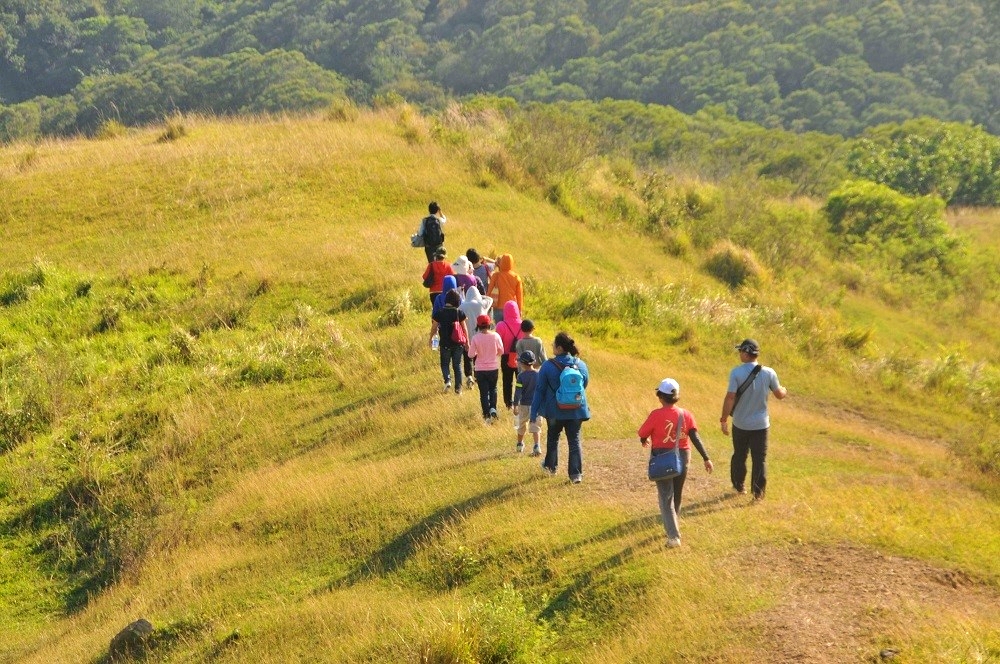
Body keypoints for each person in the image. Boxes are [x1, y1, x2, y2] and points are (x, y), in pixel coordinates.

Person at [638, 378, 714, 548]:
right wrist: (706, 458)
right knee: (676, 494)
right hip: (683, 456)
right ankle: (674, 523)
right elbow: (694, 436)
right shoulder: (685, 414)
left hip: (663, 457)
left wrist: (644, 439)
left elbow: (642, 432)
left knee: (666, 497)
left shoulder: (656, 415)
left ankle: (673, 536)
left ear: (660, 397)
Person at [719, 338, 787, 500]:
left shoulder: (736, 373)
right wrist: (784, 390)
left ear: (746, 353)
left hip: (740, 424)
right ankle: (758, 493)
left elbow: (730, 397)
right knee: (759, 459)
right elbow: (779, 395)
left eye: (740, 351)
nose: (739, 354)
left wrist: (723, 419)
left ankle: (739, 486)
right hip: (761, 425)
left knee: (739, 455)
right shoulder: (769, 373)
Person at [530, 332, 590, 484]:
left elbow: (540, 390)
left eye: (554, 345)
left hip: (554, 410)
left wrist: (533, 412)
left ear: (559, 348)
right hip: (576, 410)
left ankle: (551, 467)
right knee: (574, 441)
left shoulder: (548, 366)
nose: (552, 347)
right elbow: (584, 385)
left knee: (552, 438)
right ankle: (575, 474)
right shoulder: (580, 364)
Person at [468, 314, 504, 424]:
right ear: (490, 324)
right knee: (493, 389)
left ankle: (486, 415)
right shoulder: (496, 336)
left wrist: (477, 352)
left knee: (483, 393)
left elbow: (470, 355)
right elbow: (501, 351)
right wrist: (494, 354)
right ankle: (493, 407)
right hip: (493, 367)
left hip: (480, 369)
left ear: (478, 325)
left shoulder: (475, 338)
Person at [429, 290, 468, 394]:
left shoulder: (439, 313)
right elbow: (464, 328)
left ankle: (447, 380)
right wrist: (467, 342)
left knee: (445, 364)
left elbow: (434, 328)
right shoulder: (459, 312)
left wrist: (430, 340)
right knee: (457, 365)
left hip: (445, 344)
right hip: (458, 344)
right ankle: (458, 389)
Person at [459, 285, 492, 390]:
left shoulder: (463, 306)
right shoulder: (481, 304)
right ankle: (478, 376)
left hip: (467, 336)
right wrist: (480, 296)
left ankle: (469, 376)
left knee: (467, 356)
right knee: (478, 358)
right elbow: (490, 299)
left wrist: (463, 298)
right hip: (480, 336)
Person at [495, 300, 523, 411]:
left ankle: (508, 404)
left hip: (506, 356)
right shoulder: (523, 324)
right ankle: (520, 401)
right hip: (521, 357)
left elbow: (498, 342)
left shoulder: (501, 325)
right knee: (520, 381)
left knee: (507, 381)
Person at [513, 351, 542, 456]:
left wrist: (515, 405)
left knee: (521, 425)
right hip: (536, 405)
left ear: (523, 363)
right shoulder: (539, 374)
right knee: (536, 426)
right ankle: (536, 446)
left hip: (524, 405)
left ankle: (519, 444)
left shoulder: (521, 376)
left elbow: (518, 392)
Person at [486, 253, 523, 324]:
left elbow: (489, 292)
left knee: (500, 329)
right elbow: (519, 296)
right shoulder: (516, 277)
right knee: (510, 329)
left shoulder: (495, 275)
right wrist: (520, 310)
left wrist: (487, 306)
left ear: (501, 263)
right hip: (511, 308)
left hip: (498, 307)